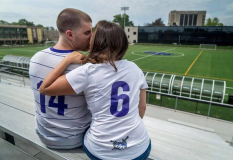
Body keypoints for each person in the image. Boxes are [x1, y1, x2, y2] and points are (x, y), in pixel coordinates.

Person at [39, 20, 151, 159]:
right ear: (123, 44)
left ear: (96, 43)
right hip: (139, 148)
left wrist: (67, 61)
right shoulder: (135, 68)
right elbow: (142, 108)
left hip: (100, 151)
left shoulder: (88, 71)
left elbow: (45, 88)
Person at [29, 8, 92, 149]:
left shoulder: (35, 59)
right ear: (70, 34)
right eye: (87, 32)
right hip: (74, 138)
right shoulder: (83, 67)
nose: (92, 36)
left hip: (43, 134)